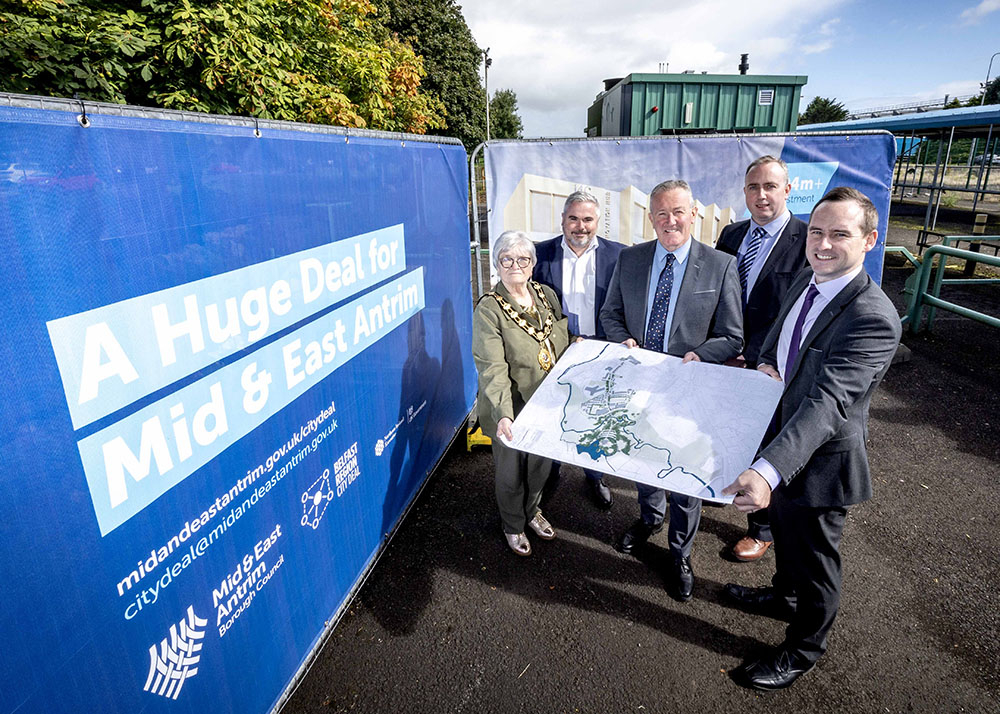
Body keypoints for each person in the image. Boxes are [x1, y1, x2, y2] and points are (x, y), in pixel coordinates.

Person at [722, 187, 902, 691]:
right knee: (783, 534)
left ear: (869, 241)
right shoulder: (809, 277)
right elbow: (783, 334)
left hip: (818, 462)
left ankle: (804, 648)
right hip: (777, 439)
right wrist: (763, 361)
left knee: (817, 559)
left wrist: (766, 469)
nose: (823, 244)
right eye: (817, 232)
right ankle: (784, 596)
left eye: (839, 234)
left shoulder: (872, 318)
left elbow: (829, 402)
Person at [600, 179, 742, 601]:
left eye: (678, 211)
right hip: (641, 382)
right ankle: (649, 518)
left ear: (694, 214)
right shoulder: (631, 259)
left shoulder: (720, 265)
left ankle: (680, 552)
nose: (670, 220)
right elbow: (610, 314)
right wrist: (623, 340)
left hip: (690, 388)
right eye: (661, 213)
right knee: (643, 460)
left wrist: (700, 355)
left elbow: (732, 336)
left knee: (685, 473)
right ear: (650, 217)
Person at [716, 156, 808, 563]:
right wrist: (722, 348)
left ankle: (762, 529)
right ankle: (722, 490)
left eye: (770, 186)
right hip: (726, 359)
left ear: (787, 190)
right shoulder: (731, 234)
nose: (762, 195)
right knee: (726, 433)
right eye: (753, 187)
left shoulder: (807, 240)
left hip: (770, 366)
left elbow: (797, 314)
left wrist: (751, 356)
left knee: (766, 444)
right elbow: (718, 297)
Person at [472, 231, 570, 556]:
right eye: (507, 259)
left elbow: (559, 341)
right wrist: (502, 411)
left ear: (532, 265)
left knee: (540, 466)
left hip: (544, 402)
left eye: (523, 259)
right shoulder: (489, 309)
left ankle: (532, 511)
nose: (516, 265)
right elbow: (491, 366)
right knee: (511, 472)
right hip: (510, 406)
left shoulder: (547, 295)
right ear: (497, 265)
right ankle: (513, 524)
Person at [533, 191, 623, 509]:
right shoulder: (539, 255)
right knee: (555, 412)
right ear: (562, 220)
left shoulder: (619, 255)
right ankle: (551, 470)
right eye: (573, 218)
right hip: (556, 350)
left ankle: (594, 476)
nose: (580, 226)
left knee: (595, 416)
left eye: (587, 219)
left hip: (601, 350)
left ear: (598, 222)